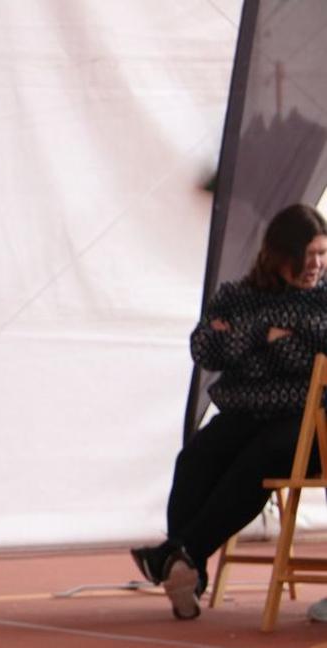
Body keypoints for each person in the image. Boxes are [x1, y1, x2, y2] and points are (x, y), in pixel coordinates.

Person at [131, 203, 327, 619]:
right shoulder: (237, 295)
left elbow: (315, 364)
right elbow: (206, 349)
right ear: (278, 255)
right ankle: (191, 572)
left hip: (308, 422)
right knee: (196, 458)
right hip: (246, 413)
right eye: (307, 256)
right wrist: (267, 336)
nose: (316, 265)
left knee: (257, 461)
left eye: (322, 254)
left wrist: (252, 343)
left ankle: (177, 557)